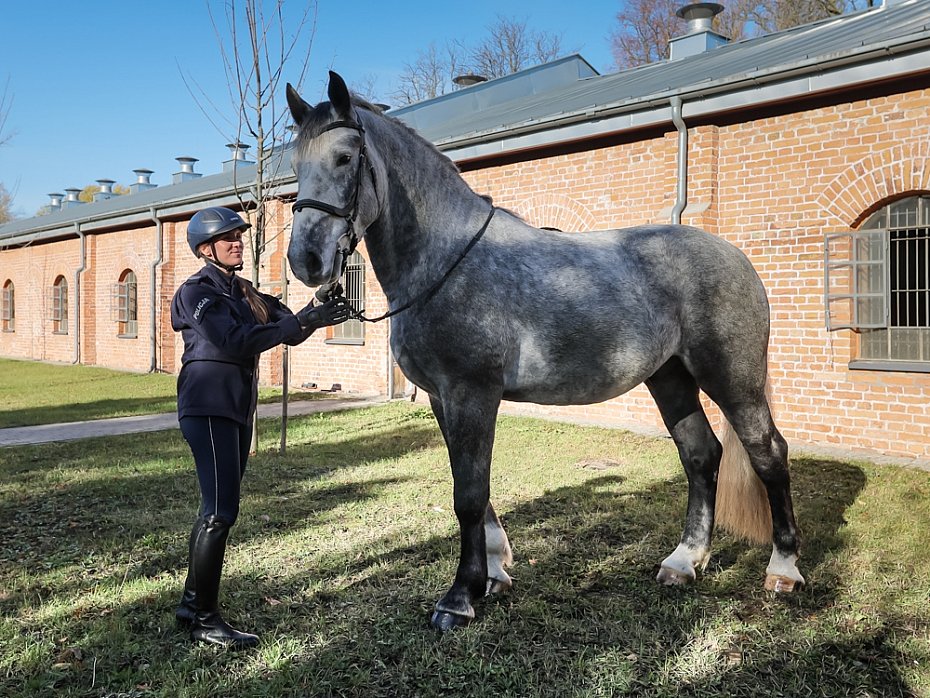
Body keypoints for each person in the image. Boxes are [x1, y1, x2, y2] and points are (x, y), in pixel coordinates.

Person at [170, 206, 350, 649]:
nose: (237, 243)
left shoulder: (245, 291)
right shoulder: (197, 293)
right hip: (208, 406)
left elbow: (286, 328)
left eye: (239, 236)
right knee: (219, 512)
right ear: (204, 248)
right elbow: (236, 341)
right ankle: (205, 620)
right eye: (227, 238)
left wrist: (319, 307)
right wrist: (303, 320)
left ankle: (191, 607)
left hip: (236, 408)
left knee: (216, 509)